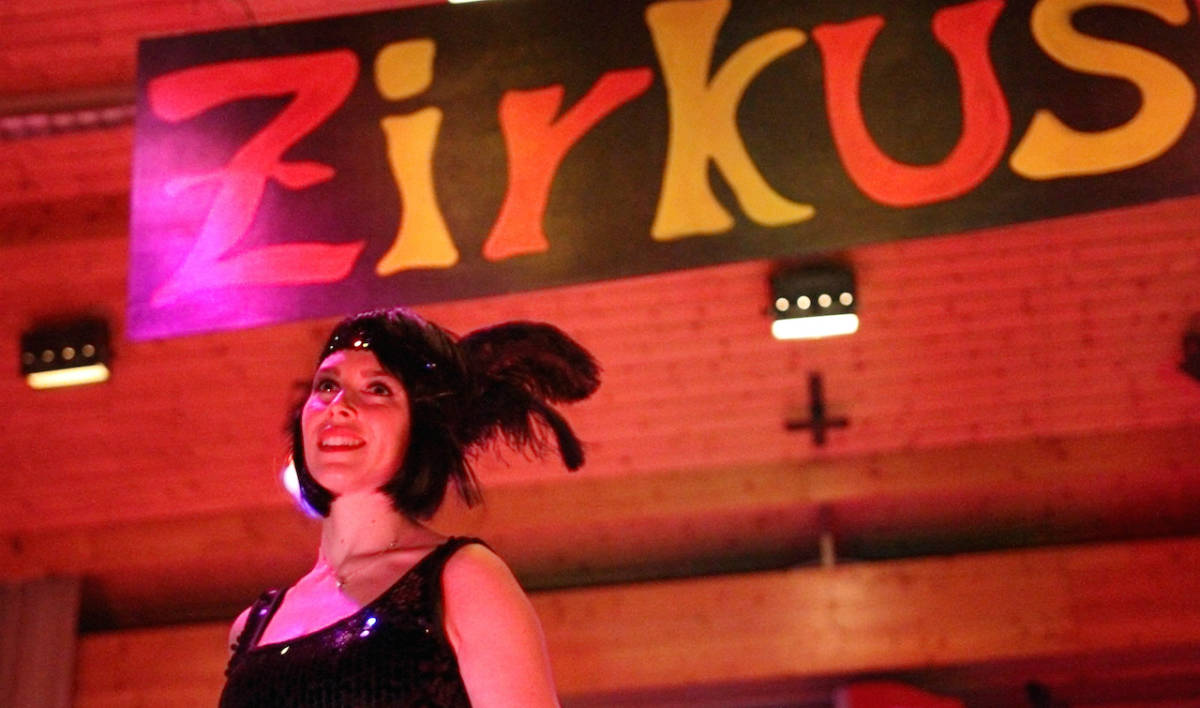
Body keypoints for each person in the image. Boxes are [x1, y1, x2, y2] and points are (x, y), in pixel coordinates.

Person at [219, 307, 600, 707]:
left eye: (378, 388)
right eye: (327, 385)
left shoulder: (464, 581)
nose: (339, 405)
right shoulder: (250, 628)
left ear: (420, 429)